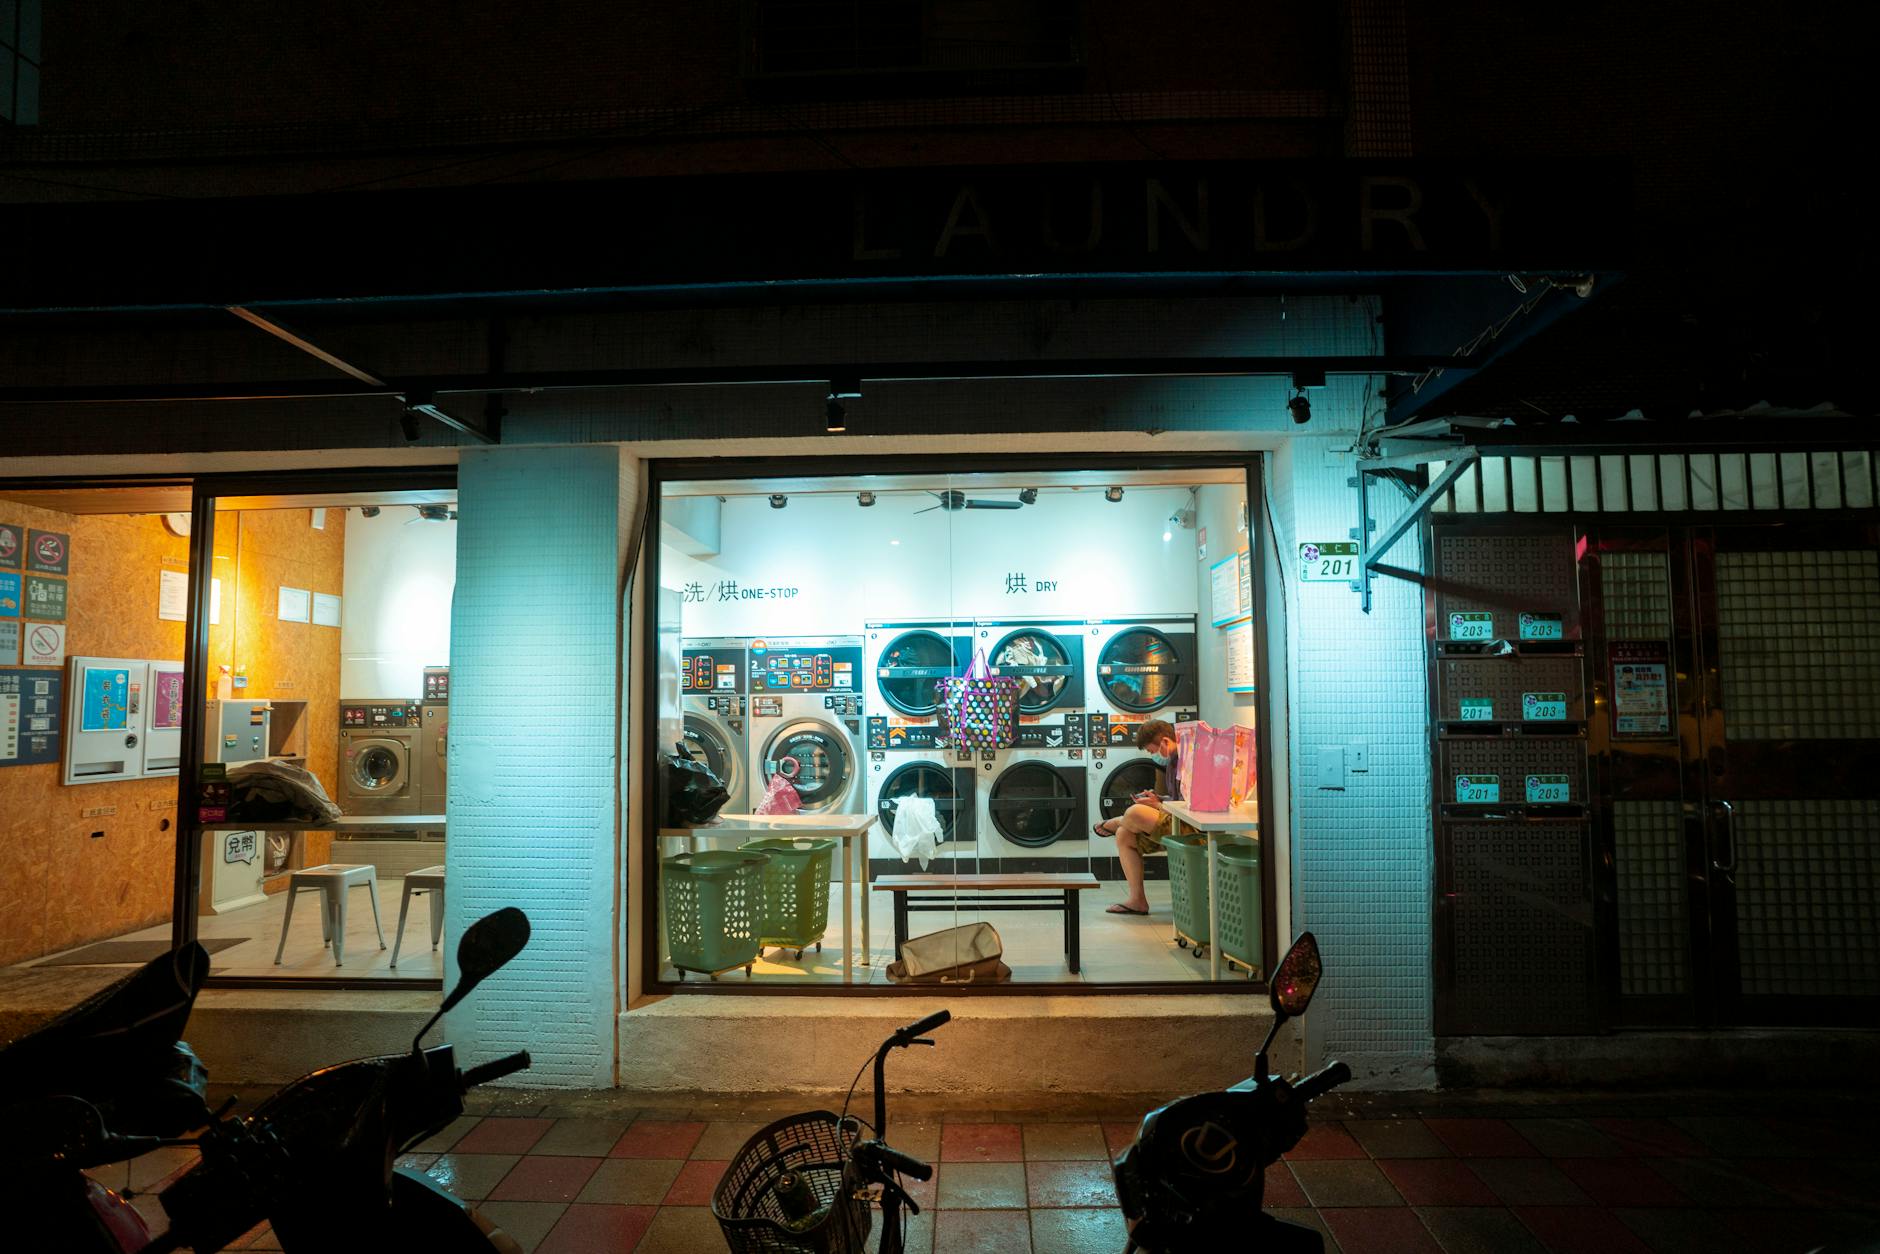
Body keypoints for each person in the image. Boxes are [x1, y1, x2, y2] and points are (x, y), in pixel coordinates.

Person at [1093, 719, 1180, 915]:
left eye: (1152, 751)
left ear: (1165, 742)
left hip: (1188, 827)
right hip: (1174, 820)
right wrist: (1158, 798)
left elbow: (1189, 806)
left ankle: (1115, 822)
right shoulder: (1173, 763)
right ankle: (1138, 900)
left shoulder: (1188, 761)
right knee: (1124, 835)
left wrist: (1157, 805)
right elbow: (1177, 799)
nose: (1153, 756)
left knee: (1133, 813)